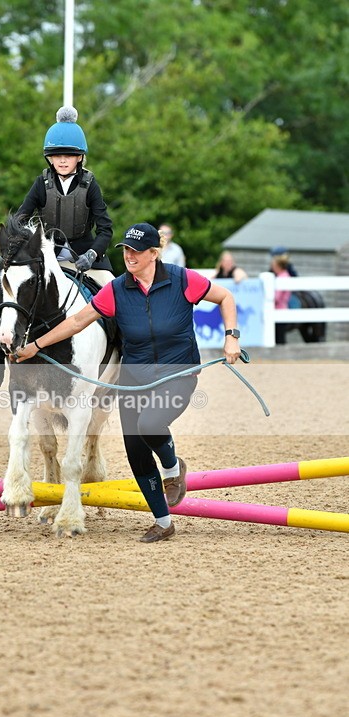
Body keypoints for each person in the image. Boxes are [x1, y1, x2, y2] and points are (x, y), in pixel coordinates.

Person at [14, 222, 241, 544]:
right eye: (126, 250)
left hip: (177, 373)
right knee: (136, 452)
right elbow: (77, 321)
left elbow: (225, 297)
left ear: (154, 253)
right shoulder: (117, 289)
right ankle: (163, 522)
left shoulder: (182, 279)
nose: (129, 256)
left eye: (137, 251)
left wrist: (231, 337)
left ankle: (173, 468)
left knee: (150, 424)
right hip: (134, 379)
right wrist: (35, 346)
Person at [0, 105, 114, 387]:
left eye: (68, 155)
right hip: (46, 256)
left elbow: (105, 228)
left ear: (79, 157)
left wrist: (92, 253)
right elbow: (21, 217)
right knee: (3, 300)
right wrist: (17, 247)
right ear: (49, 158)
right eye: (57, 155)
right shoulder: (41, 183)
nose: (62, 160)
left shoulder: (90, 184)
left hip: (84, 258)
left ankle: (127, 361)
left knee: (115, 300)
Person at [270, 250, 292, 344]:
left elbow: (276, 298)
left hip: (279, 310)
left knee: (279, 338)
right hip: (282, 309)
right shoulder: (284, 275)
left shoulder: (282, 278)